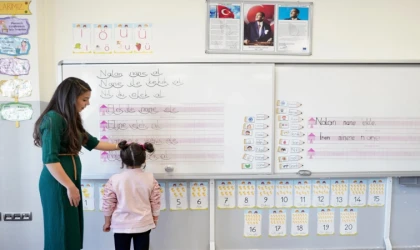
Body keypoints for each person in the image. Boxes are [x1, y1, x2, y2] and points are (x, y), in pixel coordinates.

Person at [33, 77, 126, 250]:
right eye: (84, 99)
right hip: (58, 182)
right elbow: (50, 160)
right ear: (70, 98)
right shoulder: (53, 119)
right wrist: (70, 186)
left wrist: (119, 146)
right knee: (60, 227)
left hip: (69, 182)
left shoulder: (70, 120)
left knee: (71, 228)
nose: (88, 103)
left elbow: (92, 142)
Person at [102, 141, 160, 250]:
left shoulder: (114, 179)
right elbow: (155, 203)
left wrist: (107, 222)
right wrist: (155, 219)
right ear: (144, 160)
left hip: (120, 225)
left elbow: (108, 203)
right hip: (143, 224)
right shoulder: (151, 179)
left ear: (123, 160)